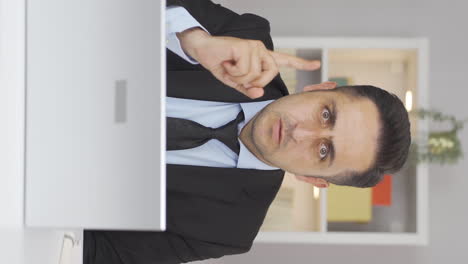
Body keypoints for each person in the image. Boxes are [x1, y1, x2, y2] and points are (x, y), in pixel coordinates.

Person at [83, 1, 411, 263]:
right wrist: (192, 39)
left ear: (314, 180)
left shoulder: (227, 231)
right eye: (326, 114)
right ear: (321, 88)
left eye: (324, 152)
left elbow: (96, 254)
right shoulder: (245, 36)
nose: (302, 133)